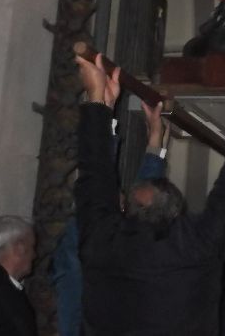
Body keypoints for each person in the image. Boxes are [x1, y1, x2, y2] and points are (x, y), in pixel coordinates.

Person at [74, 50, 225, 336]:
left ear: (125, 210)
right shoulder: (194, 247)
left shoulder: (103, 242)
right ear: (176, 215)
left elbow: (94, 176)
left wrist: (98, 102)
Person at [51, 100, 172, 336]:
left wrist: (104, 116)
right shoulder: (83, 247)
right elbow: (142, 205)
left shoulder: (104, 238)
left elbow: (140, 203)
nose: (123, 200)